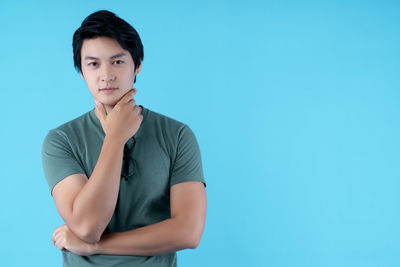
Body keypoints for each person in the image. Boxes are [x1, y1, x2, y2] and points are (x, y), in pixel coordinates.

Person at [41, 9, 207, 267]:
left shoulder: (177, 135)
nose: (106, 75)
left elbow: (188, 232)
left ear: (137, 64)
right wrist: (116, 137)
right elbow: (87, 226)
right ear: (81, 71)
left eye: (117, 61)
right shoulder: (61, 140)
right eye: (93, 64)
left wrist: (95, 247)